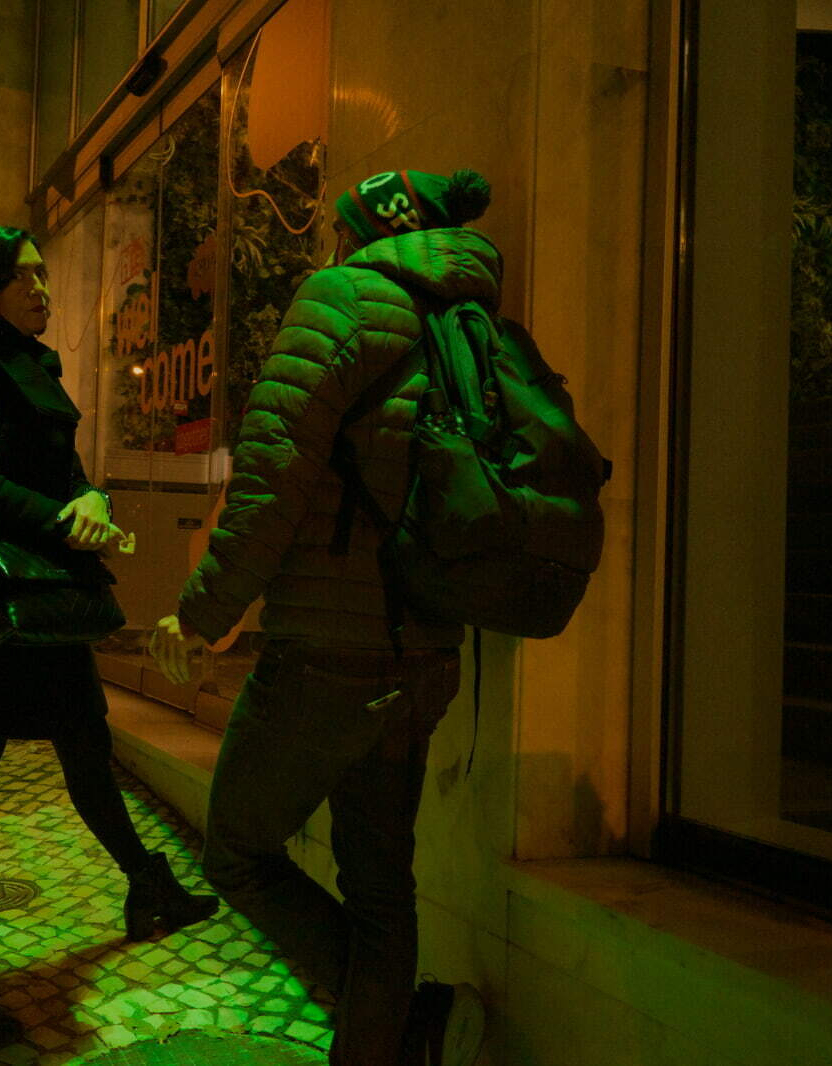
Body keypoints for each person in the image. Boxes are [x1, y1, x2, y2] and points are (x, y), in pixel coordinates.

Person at [149, 169, 495, 1066]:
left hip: (327, 660)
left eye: (338, 226)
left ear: (361, 232)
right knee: (381, 885)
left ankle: (397, 1023)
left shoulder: (339, 300)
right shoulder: (469, 322)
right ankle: (393, 1034)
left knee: (236, 851)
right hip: (426, 655)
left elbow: (272, 479)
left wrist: (201, 614)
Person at [0, 225, 217, 1040]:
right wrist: (63, 522)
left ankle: (146, 883)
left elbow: (63, 469)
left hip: (39, 593)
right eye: (26, 277)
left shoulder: (35, 364)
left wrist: (93, 501)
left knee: (85, 741)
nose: (43, 289)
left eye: (44, 275)